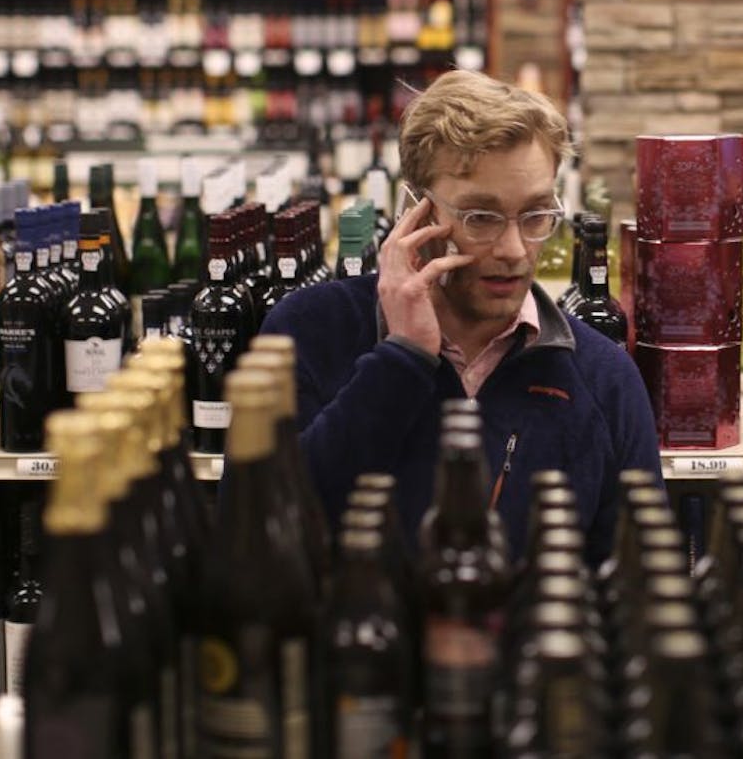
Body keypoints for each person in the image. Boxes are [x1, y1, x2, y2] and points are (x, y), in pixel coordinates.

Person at [261, 70, 662, 564]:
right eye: (481, 218)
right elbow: (265, 537)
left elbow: (636, 585)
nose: (514, 250)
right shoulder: (310, 330)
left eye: (536, 215)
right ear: (417, 212)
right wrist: (401, 360)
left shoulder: (603, 378)